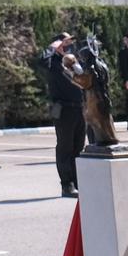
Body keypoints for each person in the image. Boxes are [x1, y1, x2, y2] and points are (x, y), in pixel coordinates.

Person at [46, 33, 84, 198]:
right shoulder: (52, 62)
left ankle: (77, 182)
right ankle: (66, 184)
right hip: (64, 110)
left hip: (79, 109)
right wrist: (53, 47)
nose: (69, 45)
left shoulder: (72, 62)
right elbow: (40, 61)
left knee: (78, 147)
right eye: (65, 42)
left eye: (70, 42)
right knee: (65, 147)